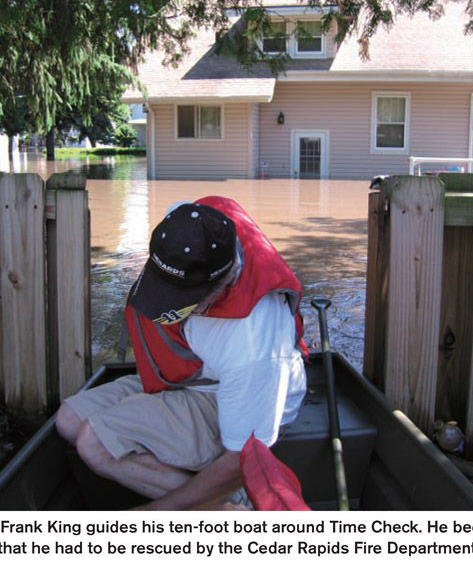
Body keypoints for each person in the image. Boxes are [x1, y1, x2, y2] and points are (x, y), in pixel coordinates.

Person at [56, 196, 307, 510]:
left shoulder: (253, 344)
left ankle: (230, 510)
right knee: (68, 420)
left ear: (225, 279)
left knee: (94, 444)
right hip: (195, 376)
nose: (168, 308)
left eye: (184, 299)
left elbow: (241, 456)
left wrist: (152, 516)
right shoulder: (194, 223)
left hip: (229, 399)